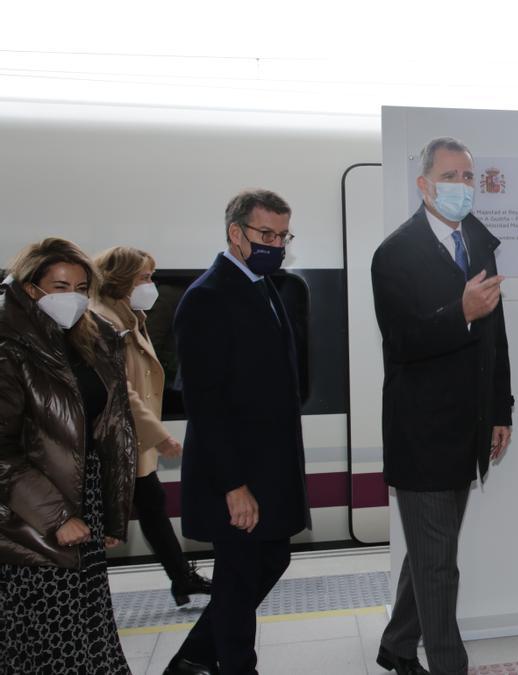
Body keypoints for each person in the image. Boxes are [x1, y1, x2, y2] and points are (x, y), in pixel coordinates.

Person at [372, 137, 514, 675]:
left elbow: (497, 338)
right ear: (424, 184)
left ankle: (396, 646)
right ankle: (448, 665)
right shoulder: (393, 254)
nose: (462, 186)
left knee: (432, 552)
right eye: (451, 176)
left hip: (470, 428)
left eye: (468, 177)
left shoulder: (479, 243)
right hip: (422, 435)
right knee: (439, 567)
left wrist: (502, 411)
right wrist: (460, 310)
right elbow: (403, 341)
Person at [165, 190, 311, 675]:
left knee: (270, 560)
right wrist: (233, 486)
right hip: (237, 471)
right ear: (236, 233)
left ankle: (193, 657)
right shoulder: (207, 298)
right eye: (265, 234)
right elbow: (205, 406)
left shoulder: (265, 286)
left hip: (269, 466)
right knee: (239, 576)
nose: (276, 244)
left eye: (282, 235)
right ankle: (233, 667)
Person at [0, 238, 138, 674]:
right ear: (29, 286)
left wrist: (110, 514)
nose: (71, 298)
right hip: (28, 518)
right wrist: (58, 517)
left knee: (87, 628)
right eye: (59, 286)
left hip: (84, 503)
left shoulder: (93, 340)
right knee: (47, 638)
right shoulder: (8, 346)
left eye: (80, 287)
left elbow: (110, 428)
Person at [92, 246, 211, 607]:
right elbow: (119, 391)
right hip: (113, 443)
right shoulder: (103, 323)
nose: (151, 284)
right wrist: (159, 436)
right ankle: (177, 578)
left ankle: (181, 578)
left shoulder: (129, 317)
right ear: (120, 280)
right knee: (105, 521)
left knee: (152, 505)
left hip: (130, 440)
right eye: (144, 277)